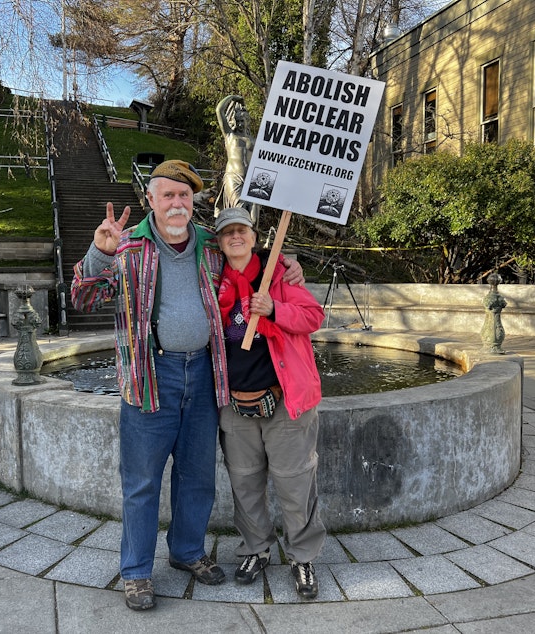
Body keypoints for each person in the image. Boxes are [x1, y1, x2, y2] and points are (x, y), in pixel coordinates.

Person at [70, 160, 303, 611]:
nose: (177, 203)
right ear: (151, 200)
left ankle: (187, 551)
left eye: (184, 196)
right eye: (168, 195)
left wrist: (288, 266)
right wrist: (99, 253)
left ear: (191, 201)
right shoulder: (128, 246)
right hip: (149, 377)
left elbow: (249, 264)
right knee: (141, 481)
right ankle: (136, 570)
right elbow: (82, 299)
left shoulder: (210, 247)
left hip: (204, 373)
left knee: (197, 475)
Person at [213, 206, 327, 600]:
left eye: (242, 230)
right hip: (234, 403)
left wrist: (275, 309)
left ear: (255, 236)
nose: (236, 237)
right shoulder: (212, 282)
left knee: (295, 482)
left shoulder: (279, 274)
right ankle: (255, 549)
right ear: (220, 241)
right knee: (244, 482)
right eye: (228, 232)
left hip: (285, 400)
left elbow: (314, 315)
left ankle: (302, 556)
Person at [216, 95, 259, 224]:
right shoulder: (229, 135)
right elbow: (219, 110)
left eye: (242, 120)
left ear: (248, 121)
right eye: (237, 120)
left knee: (254, 219)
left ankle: (253, 243)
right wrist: (233, 97)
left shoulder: (255, 140)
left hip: (252, 180)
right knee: (240, 214)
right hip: (234, 177)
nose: (240, 124)